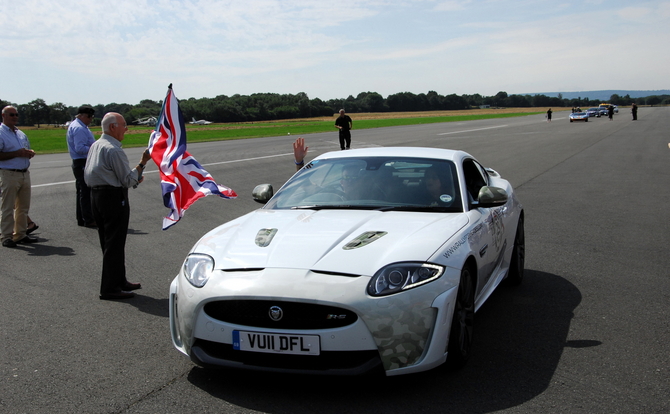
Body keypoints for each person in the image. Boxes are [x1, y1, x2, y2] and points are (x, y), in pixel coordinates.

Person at [84, 112, 151, 300]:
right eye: (123, 125)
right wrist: (142, 163)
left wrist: (132, 178)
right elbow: (127, 180)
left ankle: (119, 279)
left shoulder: (96, 145)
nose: (126, 128)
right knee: (114, 243)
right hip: (112, 197)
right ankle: (110, 288)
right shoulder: (113, 150)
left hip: (97, 196)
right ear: (113, 127)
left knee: (109, 241)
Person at [0, 106, 37, 248]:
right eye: (11, 114)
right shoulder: (1, 133)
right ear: (3, 115)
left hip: (24, 173)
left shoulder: (20, 133)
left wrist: (29, 152)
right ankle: (6, 236)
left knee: (23, 207)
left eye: (16, 115)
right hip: (9, 173)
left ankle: (20, 234)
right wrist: (17, 153)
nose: (15, 117)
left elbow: (24, 149)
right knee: (7, 207)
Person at [67, 105, 97, 228]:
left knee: (82, 191)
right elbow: (80, 148)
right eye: (89, 116)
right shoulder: (79, 128)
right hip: (82, 161)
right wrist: (95, 148)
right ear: (82, 116)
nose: (91, 119)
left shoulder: (80, 126)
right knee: (85, 191)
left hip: (80, 162)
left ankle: (83, 218)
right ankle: (88, 219)